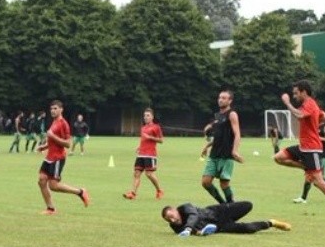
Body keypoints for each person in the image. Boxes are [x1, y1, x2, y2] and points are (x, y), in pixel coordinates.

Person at [274, 80, 325, 229]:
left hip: (312, 148)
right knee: (278, 157)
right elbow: (323, 117)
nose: (294, 96)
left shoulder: (309, 103)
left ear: (304, 92)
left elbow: (300, 115)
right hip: (303, 147)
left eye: (296, 93)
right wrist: (318, 118)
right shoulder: (309, 105)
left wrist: (287, 103)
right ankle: (306, 168)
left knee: (319, 182)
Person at [36, 100, 90, 215]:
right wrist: (44, 146)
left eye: (55, 108)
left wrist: (52, 136)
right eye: (51, 109)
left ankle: (80, 192)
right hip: (49, 157)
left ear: (61, 109)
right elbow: (52, 141)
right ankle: (50, 209)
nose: (53, 111)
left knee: (53, 186)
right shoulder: (54, 121)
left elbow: (67, 144)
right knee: (41, 180)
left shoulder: (63, 124)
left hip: (57, 158)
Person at [201, 90, 243, 204]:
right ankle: (222, 204)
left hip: (226, 154)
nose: (220, 100)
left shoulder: (232, 114)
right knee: (206, 182)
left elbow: (237, 134)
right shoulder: (217, 116)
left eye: (224, 98)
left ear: (230, 101)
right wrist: (207, 146)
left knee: (224, 184)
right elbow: (218, 136)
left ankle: (231, 206)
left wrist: (235, 151)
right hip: (214, 154)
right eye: (219, 97)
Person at [293, 111, 325, 203]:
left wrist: (319, 138)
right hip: (314, 154)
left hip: (324, 155)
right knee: (309, 176)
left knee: (318, 179)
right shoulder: (313, 127)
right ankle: (303, 198)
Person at [161, 201, 292, 236]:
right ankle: (272, 223)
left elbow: (193, 216)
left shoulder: (185, 207)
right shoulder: (175, 226)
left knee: (248, 205)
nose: (172, 220)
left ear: (175, 210)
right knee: (249, 228)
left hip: (218, 212)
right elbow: (192, 232)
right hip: (220, 227)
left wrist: (189, 228)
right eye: (168, 220)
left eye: (171, 216)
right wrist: (198, 232)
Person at [123, 108, 164, 200]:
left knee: (149, 174)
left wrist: (150, 137)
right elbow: (143, 139)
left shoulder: (156, 127)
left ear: (152, 117)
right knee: (136, 173)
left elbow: (161, 140)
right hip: (141, 154)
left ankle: (159, 190)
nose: (145, 117)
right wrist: (139, 146)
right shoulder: (143, 128)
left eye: (148, 115)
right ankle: (133, 193)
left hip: (150, 154)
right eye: (144, 115)